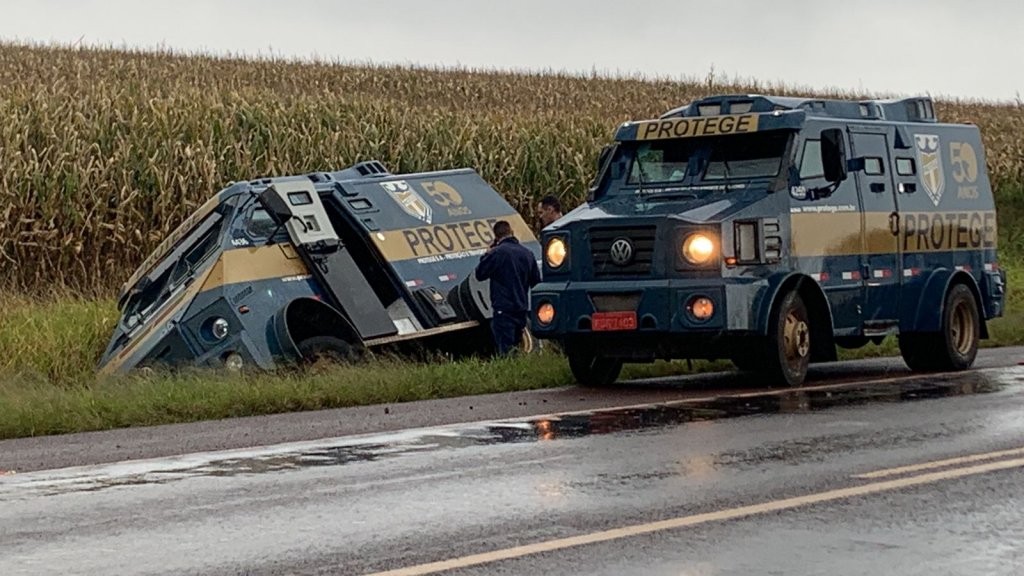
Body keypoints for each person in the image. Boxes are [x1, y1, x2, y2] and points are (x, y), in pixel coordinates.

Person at [475, 220, 541, 355]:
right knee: (518, 347)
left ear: (496, 237)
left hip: (503, 309)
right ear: (511, 232)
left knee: (505, 350)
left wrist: (487, 254)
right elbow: (536, 282)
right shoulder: (527, 253)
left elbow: (480, 274)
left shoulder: (497, 253)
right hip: (521, 309)